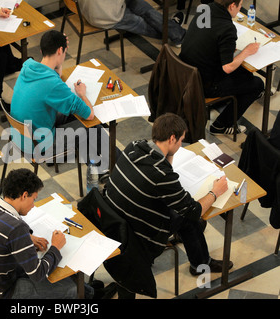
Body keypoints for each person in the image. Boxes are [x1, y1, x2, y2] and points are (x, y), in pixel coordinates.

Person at [104, 113, 230, 297]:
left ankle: (198, 255)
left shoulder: (134, 146)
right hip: (139, 233)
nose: (181, 145)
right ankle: (201, 263)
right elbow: (194, 210)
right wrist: (215, 192)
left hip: (114, 218)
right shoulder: (161, 176)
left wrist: (168, 155)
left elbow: (162, 171)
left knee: (186, 217)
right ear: (172, 138)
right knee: (189, 218)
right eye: (180, 141)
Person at [0, 168, 97, 299]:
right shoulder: (16, 228)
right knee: (71, 289)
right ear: (24, 195)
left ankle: (90, 292)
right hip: (0, 292)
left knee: (54, 271)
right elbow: (38, 274)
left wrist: (27, 237)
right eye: (33, 199)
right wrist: (55, 247)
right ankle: (88, 294)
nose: (33, 205)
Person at [10, 30, 114, 172]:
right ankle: (114, 168)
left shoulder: (28, 67)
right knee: (92, 125)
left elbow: (55, 76)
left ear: (42, 50)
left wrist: (58, 56)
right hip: (39, 144)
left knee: (79, 118)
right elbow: (89, 114)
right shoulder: (52, 84)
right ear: (60, 50)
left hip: (20, 135)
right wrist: (82, 94)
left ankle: (99, 167)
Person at [180, 0, 264, 136]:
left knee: (246, 75)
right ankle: (221, 126)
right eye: (240, 5)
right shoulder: (227, 28)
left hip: (186, 72)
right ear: (232, 5)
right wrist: (246, 51)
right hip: (204, 84)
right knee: (257, 84)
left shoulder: (205, 9)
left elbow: (206, 35)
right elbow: (228, 68)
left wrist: (225, 46)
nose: (241, 8)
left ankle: (228, 99)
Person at [77, 0, 186, 47]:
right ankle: (176, 32)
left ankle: (174, 29)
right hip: (107, 16)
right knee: (144, 24)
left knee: (141, 5)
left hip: (88, 11)